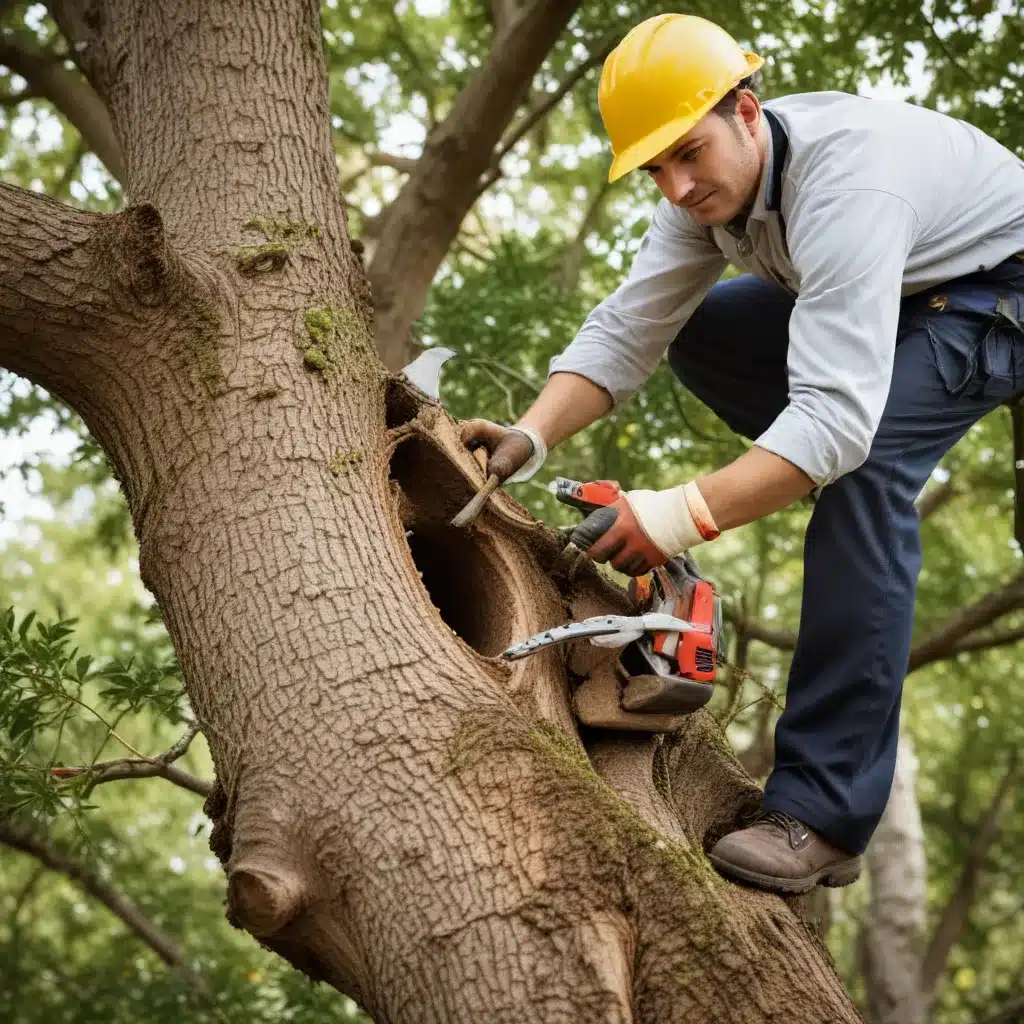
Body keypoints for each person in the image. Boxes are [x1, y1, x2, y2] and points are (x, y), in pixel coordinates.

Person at [461, 12, 1024, 894]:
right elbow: (631, 325)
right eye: (656, 169)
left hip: (999, 292)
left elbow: (841, 425)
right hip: (904, 291)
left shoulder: (850, 189)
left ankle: (826, 816)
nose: (678, 186)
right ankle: (818, 470)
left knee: (860, 463)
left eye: (689, 154)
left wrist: (684, 511)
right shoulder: (704, 199)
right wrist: (530, 435)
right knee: (707, 331)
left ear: (749, 112)